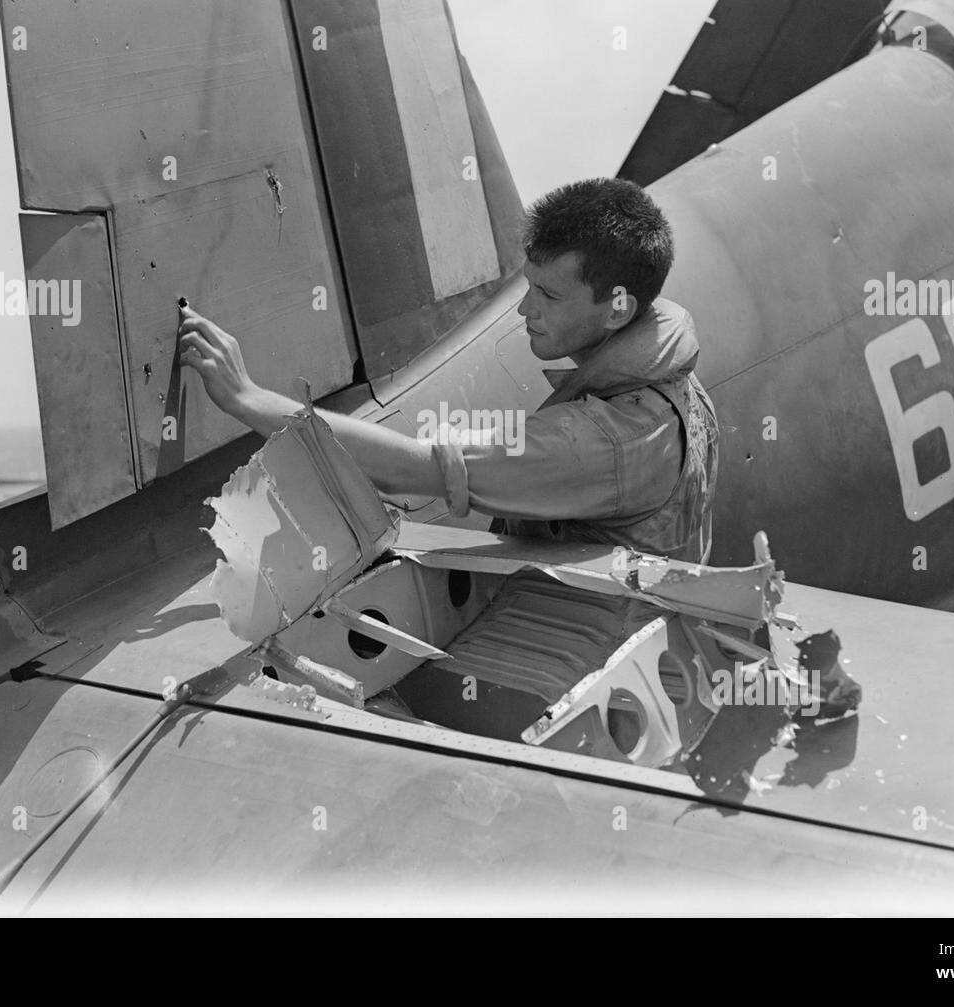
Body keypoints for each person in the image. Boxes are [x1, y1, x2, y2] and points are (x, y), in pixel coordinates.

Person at [180, 178, 718, 725]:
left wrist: (249, 399)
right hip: (625, 666)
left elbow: (415, 469)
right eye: (529, 285)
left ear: (618, 310)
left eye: (551, 296)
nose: (525, 309)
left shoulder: (612, 441)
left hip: (580, 699)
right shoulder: (667, 375)